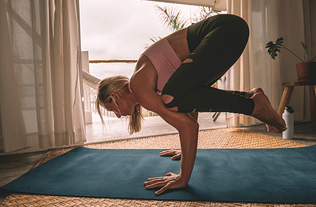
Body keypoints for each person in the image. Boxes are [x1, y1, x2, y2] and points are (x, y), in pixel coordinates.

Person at [96, 14, 286, 196]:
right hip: (232, 30)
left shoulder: (139, 86)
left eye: (112, 110)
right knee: (176, 100)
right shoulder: (146, 81)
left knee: (172, 100)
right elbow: (189, 110)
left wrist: (182, 178)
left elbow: (188, 126)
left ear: (115, 96)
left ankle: (254, 107)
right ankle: (251, 97)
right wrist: (185, 151)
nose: (118, 115)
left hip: (225, 31)